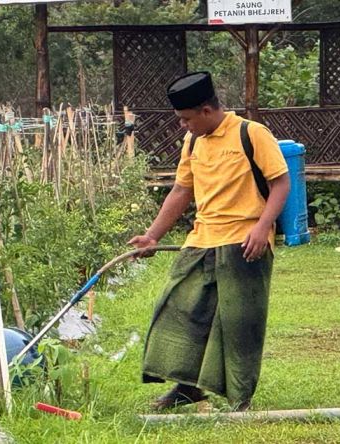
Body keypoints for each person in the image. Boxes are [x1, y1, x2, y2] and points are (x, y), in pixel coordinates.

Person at [128, 71, 290, 411]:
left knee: (238, 324)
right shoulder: (193, 142)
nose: (183, 126)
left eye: (187, 119)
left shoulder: (252, 133)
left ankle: (240, 398)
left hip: (246, 242)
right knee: (179, 309)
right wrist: (152, 236)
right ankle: (187, 388)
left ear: (206, 110)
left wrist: (263, 227)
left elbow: (281, 184)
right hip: (201, 240)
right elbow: (181, 190)